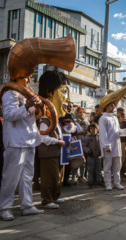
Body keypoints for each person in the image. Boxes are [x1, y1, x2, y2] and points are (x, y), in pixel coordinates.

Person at [0, 77, 44, 220]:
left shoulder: (28, 93)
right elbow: (8, 115)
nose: (30, 79)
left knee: (27, 176)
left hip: (30, 140)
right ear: (18, 76)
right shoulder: (10, 93)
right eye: (27, 76)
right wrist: (26, 106)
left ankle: (27, 205)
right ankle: (4, 207)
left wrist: (37, 108)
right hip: (16, 140)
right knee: (11, 176)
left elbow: (33, 117)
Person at [37, 70, 68, 209]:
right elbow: (43, 137)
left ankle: (55, 197)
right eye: (64, 92)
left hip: (57, 152)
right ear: (49, 92)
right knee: (49, 177)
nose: (66, 99)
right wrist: (57, 142)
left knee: (58, 176)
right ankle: (47, 200)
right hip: (48, 152)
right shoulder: (44, 118)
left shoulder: (54, 119)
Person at [99, 102, 126, 191]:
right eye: (111, 105)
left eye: (113, 105)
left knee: (117, 166)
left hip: (116, 145)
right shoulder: (103, 118)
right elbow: (103, 134)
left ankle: (117, 183)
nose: (113, 106)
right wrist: (107, 145)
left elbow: (118, 132)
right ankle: (108, 184)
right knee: (107, 167)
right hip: (109, 146)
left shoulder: (115, 118)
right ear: (106, 106)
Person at [82, 123, 102, 188]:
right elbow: (84, 146)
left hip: (98, 156)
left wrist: (101, 152)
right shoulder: (87, 137)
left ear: (97, 129)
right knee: (90, 169)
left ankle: (99, 181)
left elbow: (102, 145)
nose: (92, 130)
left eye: (94, 129)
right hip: (91, 156)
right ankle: (90, 181)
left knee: (98, 169)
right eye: (91, 129)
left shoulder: (99, 137)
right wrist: (88, 151)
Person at [117, 107, 126, 180]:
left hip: (123, 142)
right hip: (116, 141)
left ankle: (121, 173)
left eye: (123, 114)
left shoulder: (125, 123)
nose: (122, 116)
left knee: (123, 158)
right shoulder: (115, 121)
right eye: (120, 113)